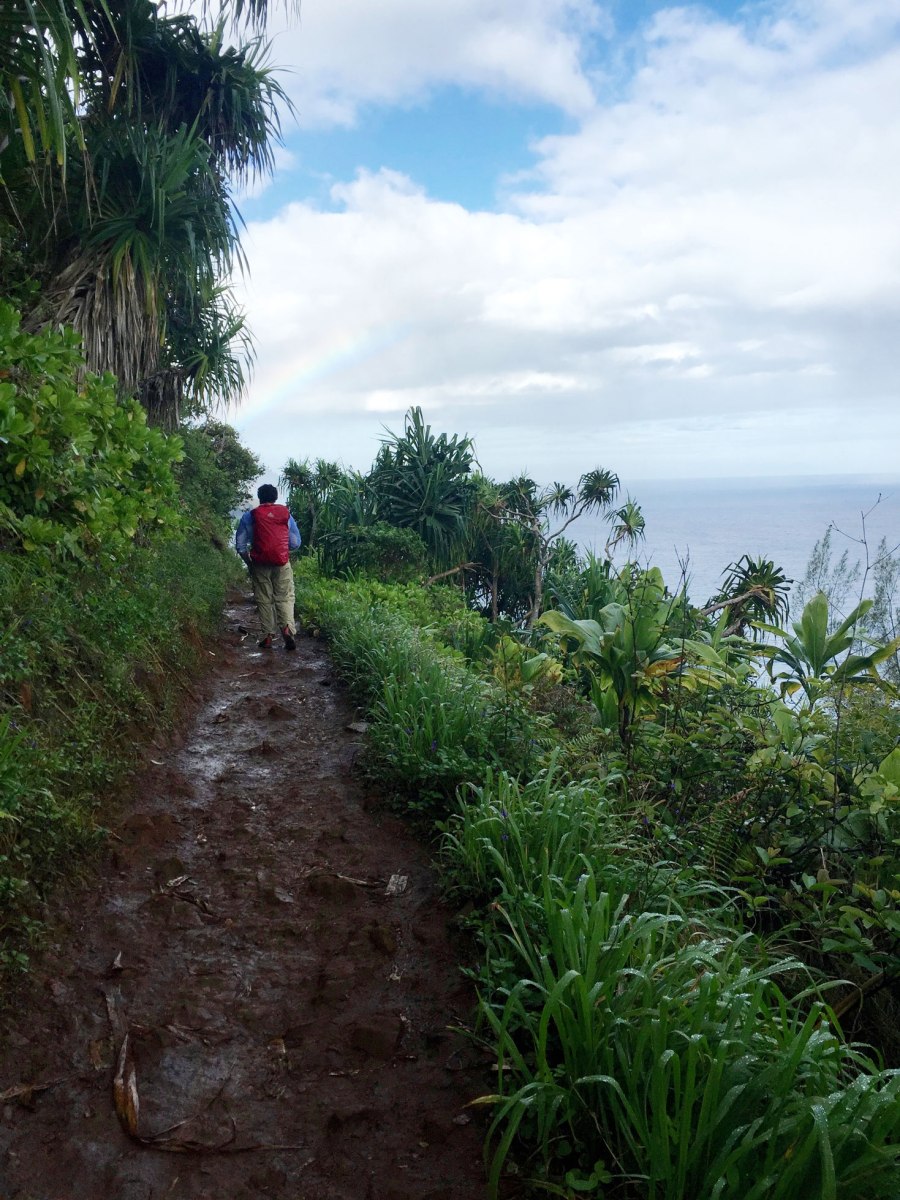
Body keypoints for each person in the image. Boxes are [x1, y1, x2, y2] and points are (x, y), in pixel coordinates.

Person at [235, 484, 302, 650]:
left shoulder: (249, 516)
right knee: (285, 596)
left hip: (259, 563)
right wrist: (281, 551)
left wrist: (249, 562)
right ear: (275, 497)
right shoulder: (285, 515)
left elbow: (240, 546)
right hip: (281, 562)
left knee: (264, 598)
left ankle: (268, 635)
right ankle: (287, 628)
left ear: (260, 498)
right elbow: (295, 543)